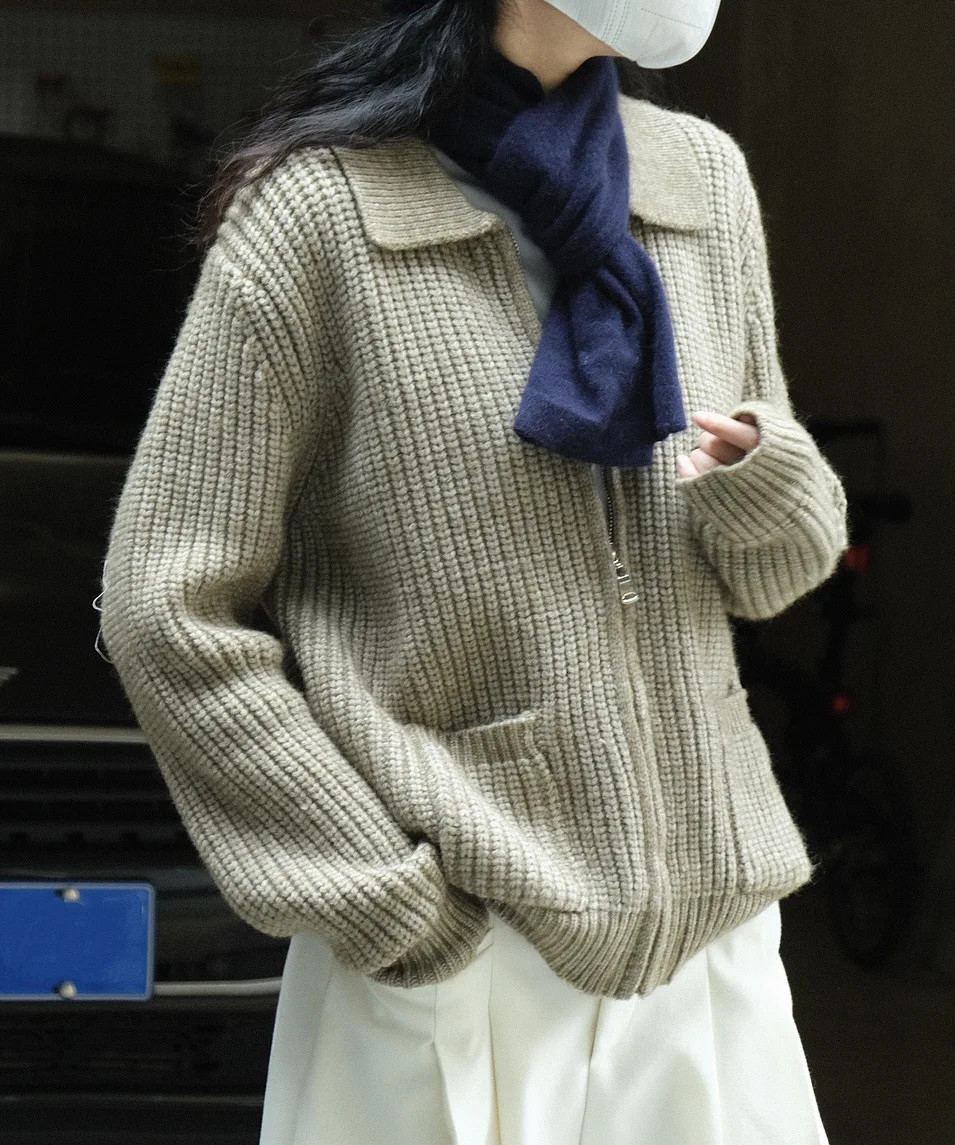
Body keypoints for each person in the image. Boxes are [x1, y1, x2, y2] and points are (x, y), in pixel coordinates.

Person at [97, 0, 849, 1141]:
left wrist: (761, 470)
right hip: (457, 947)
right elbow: (167, 605)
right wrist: (373, 889)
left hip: (707, 950)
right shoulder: (318, 211)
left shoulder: (701, 180)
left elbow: (778, 572)